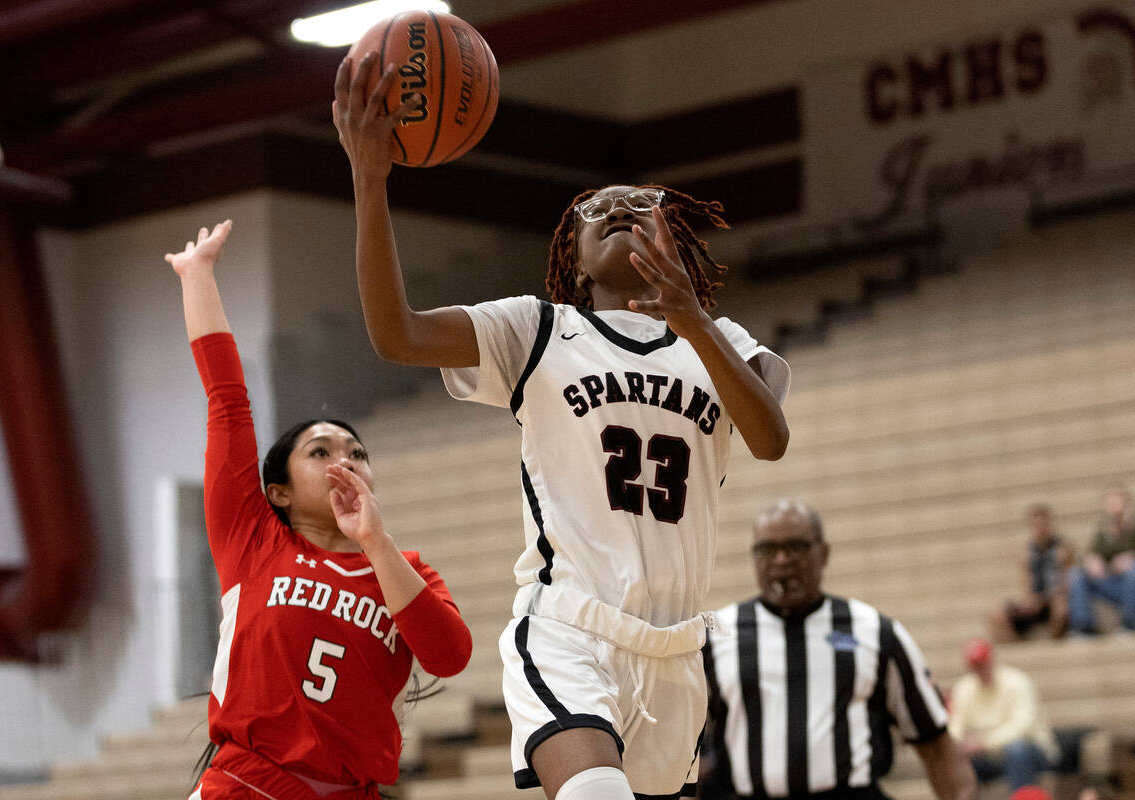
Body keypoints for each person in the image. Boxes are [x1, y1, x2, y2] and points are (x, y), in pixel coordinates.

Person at [333, 53, 791, 800]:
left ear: (673, 243)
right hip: (569, 628)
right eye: (594, 210)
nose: (616, 208)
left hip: (677, 650)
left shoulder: (724, 342)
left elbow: (770, 438)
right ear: (574, 263)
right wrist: (370, 181)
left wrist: (695, 323)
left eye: (639, 205)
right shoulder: (538, 330)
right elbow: (398, 335)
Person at [166, 220, 473, 800]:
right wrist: (197, 275)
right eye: (321, 452)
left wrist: (376, 544)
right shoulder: (252, 540)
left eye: (358, 453)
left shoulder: (406, 571)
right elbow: (227, 400)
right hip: (243, 785)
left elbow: (451, 656)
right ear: (278, 491)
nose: (346, 461)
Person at [703, 499, 977, 800]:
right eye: (767, 549)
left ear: (824, 554)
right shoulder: (715, 636)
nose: (781, 560)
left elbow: (936, 745)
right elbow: (682, 756)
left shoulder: (875, 631)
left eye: (796, 547)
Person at [948, 638, 1059, 793]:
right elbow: (955, 725)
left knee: (1017, 750)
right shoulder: (964, 688)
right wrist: (960, 744)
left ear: (991, 660)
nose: (980, 669)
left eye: (983, 663)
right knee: (958, 759)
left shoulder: (1017, 681)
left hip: (1032, 751)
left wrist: (985, 742)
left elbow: (1023, 726)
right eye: (976, 666)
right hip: (988, 755)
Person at [987, 504, 1072, 642]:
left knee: (1060, 608)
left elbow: (1067, 581)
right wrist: (1030, 601)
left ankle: (1053, 643)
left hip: (1054, 600)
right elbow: (1025, 585)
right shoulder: (1026, 552)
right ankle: (1016, 647)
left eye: (1043, 524)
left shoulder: (1062, 549)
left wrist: (1048, 598)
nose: (1040, 529)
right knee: (995, 615)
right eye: (1036, 525)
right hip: (1035, 603)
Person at [1067, 485, 1135, 634]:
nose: (1114, 507)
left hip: (1130, 584)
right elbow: (1088, 555)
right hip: (1111, 582)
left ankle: (1130, 623)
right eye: (1110, 502)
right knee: (1076, 573)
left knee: (1132, 570)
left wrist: (1131, 557)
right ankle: (1083, 626)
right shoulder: (1103, 532)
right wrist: (1090, 561)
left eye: (1118, 501)